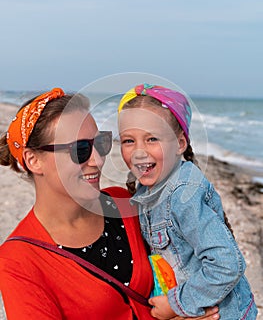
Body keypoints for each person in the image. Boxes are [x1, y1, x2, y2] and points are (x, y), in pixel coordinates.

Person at [0, 87, 220, 320]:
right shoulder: (18, 261)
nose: (98, 160)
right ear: (33, 161)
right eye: (80, 150)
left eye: (101, 143)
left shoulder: (123, 203)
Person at [118, 83, 258, 320]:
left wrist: (176, 304)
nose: (139, 151)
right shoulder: (150, 186)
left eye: (152, 139)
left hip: (220, 314)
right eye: (128, 141)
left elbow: (227, 265)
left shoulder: (183, 194)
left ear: (180, 144)